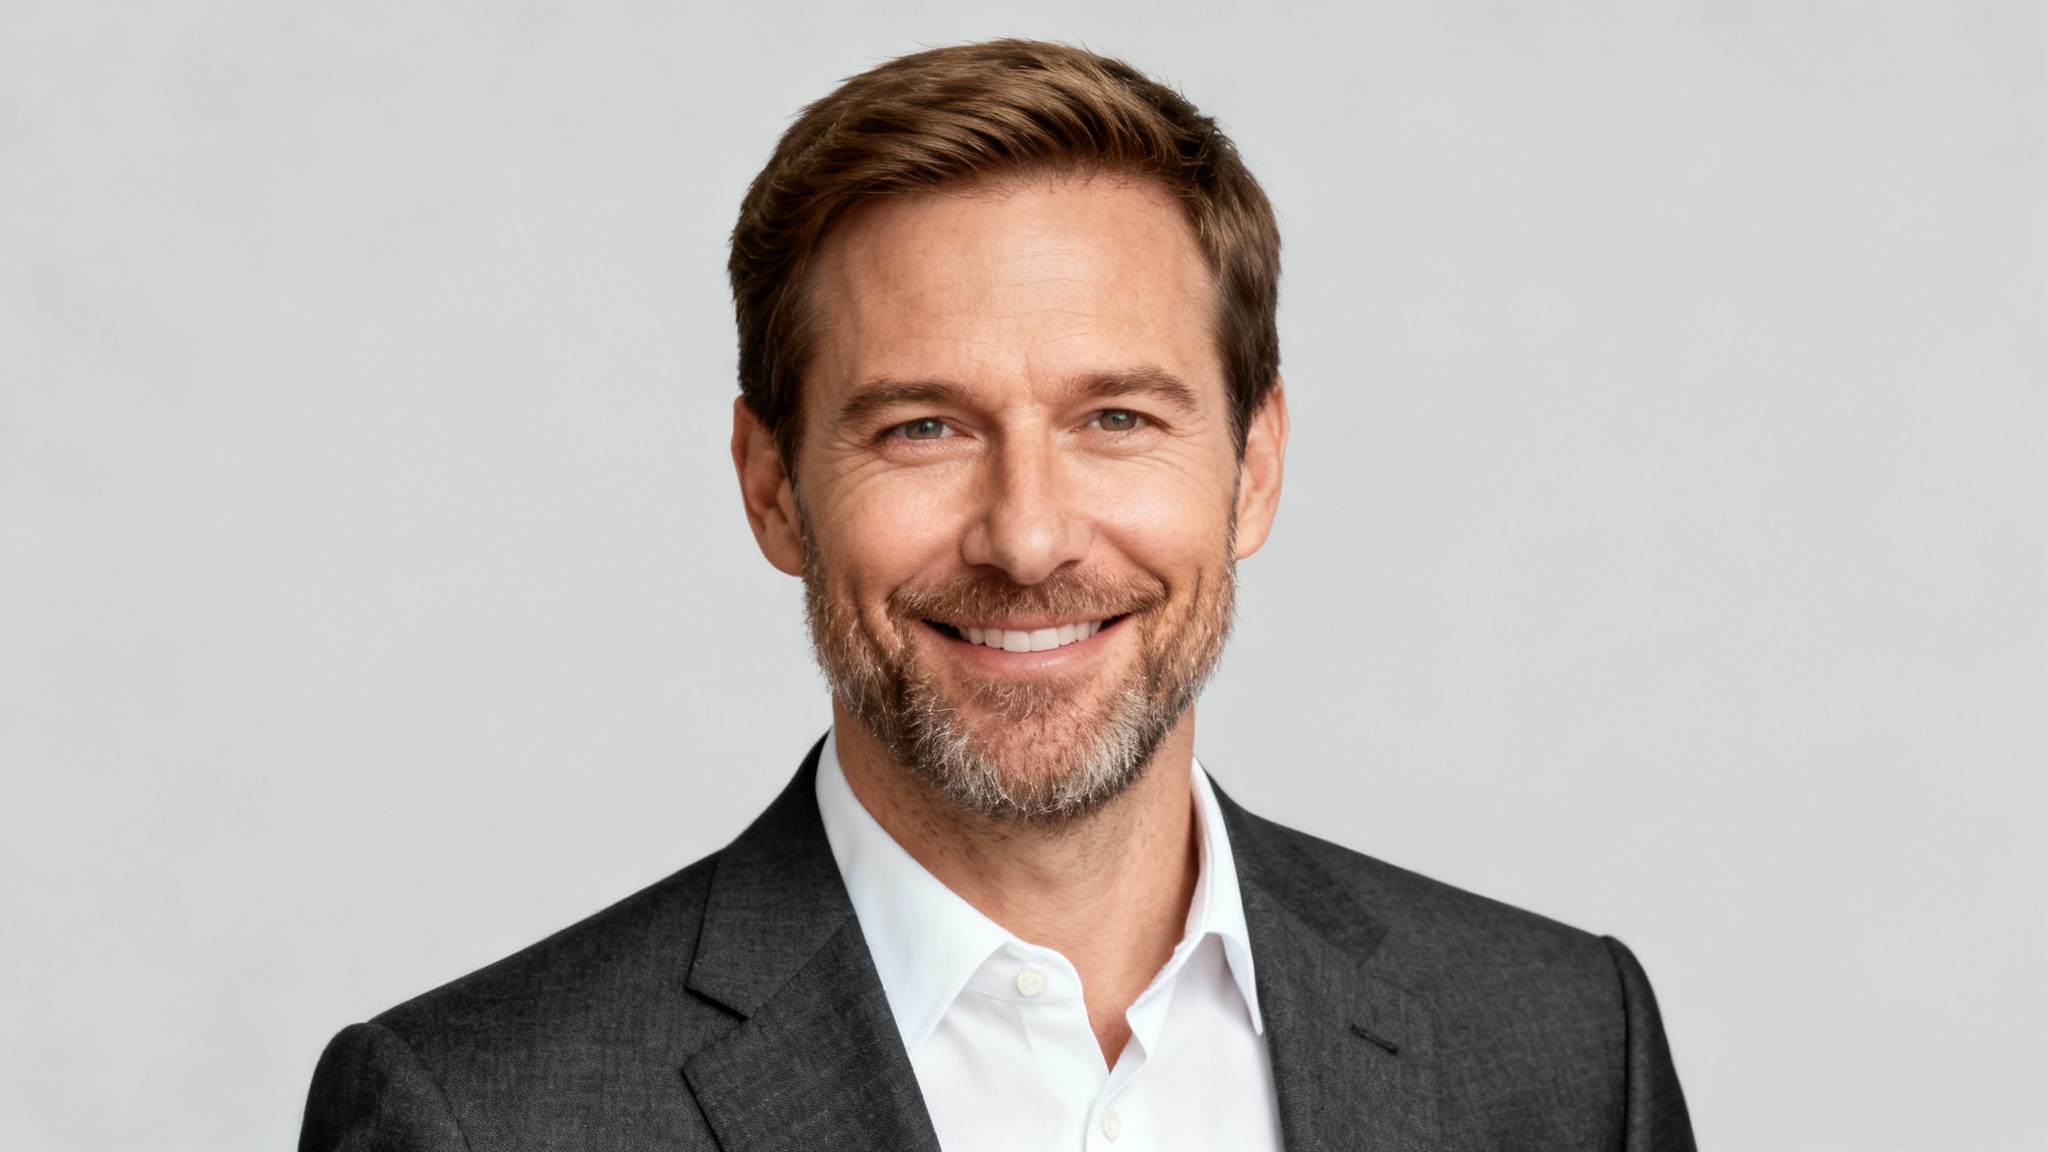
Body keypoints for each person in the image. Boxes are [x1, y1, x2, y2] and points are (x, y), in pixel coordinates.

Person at [299, 39, 1695, 1151]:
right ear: (773, 486)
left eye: (1118, 421)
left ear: (1255, 466)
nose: (1027, 539)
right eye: (924, 427)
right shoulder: (479, 1119)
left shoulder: (1563, 1056)